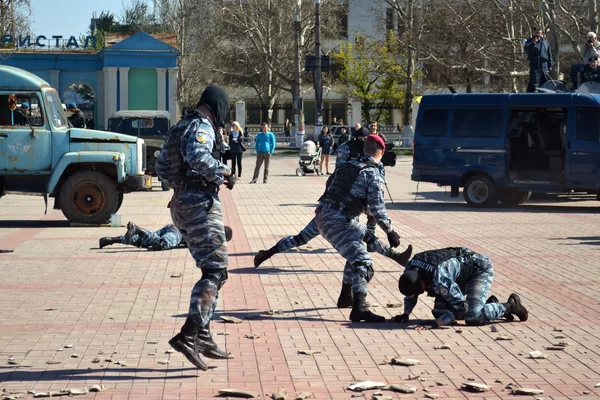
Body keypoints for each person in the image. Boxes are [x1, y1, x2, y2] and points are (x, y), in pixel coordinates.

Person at [155, 84, 236, 371]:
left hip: (181, 202)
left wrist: (180, 185)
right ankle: (188, 335)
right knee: (216, 270)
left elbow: (162, 167)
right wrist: (224, 173)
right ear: (218, 107)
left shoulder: (180, 126)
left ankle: (202, 335)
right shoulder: (203, 126)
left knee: (211, 270)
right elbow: (199, 156)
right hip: (199, 203)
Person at [315, 134, 402, 322]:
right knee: (364, 262)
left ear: (364, 150)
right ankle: (359, 309)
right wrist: (390, 231)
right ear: (383, 151)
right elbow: (377, 207)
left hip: (324, 214)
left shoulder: (348, 165)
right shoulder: (372, 173)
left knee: (357, 251)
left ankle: (346, 296)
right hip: (339, 220)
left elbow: (330, 185)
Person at [393, 247, 529, 328]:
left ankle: (510, 306)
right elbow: (411, 293)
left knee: (472, 317)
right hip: (456, 274)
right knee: (440, 314)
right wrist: (406, 315)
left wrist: (436, 324)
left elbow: (461, 307)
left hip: (478, 270)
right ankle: (489, 305)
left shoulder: (439, 278)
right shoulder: (411, 268)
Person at [99, 222, 233, 250]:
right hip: (178, 233)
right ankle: (138, 229)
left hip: (173, 226)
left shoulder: (210, 225)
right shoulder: (211, 234)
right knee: (160, 244)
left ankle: (111, 240)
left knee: (144, 242)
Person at [524, 26, 553, 93]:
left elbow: (549, 54)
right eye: (535, 33)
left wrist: (550, 65)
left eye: (538, 32)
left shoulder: (545, 42)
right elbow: (527, 50)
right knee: (534, 83)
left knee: (544, 84)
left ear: (541, 33)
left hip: (544, 65)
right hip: (535, 64)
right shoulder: (529, 42)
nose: (537, 34)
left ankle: (543, 99)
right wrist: (533, 44)